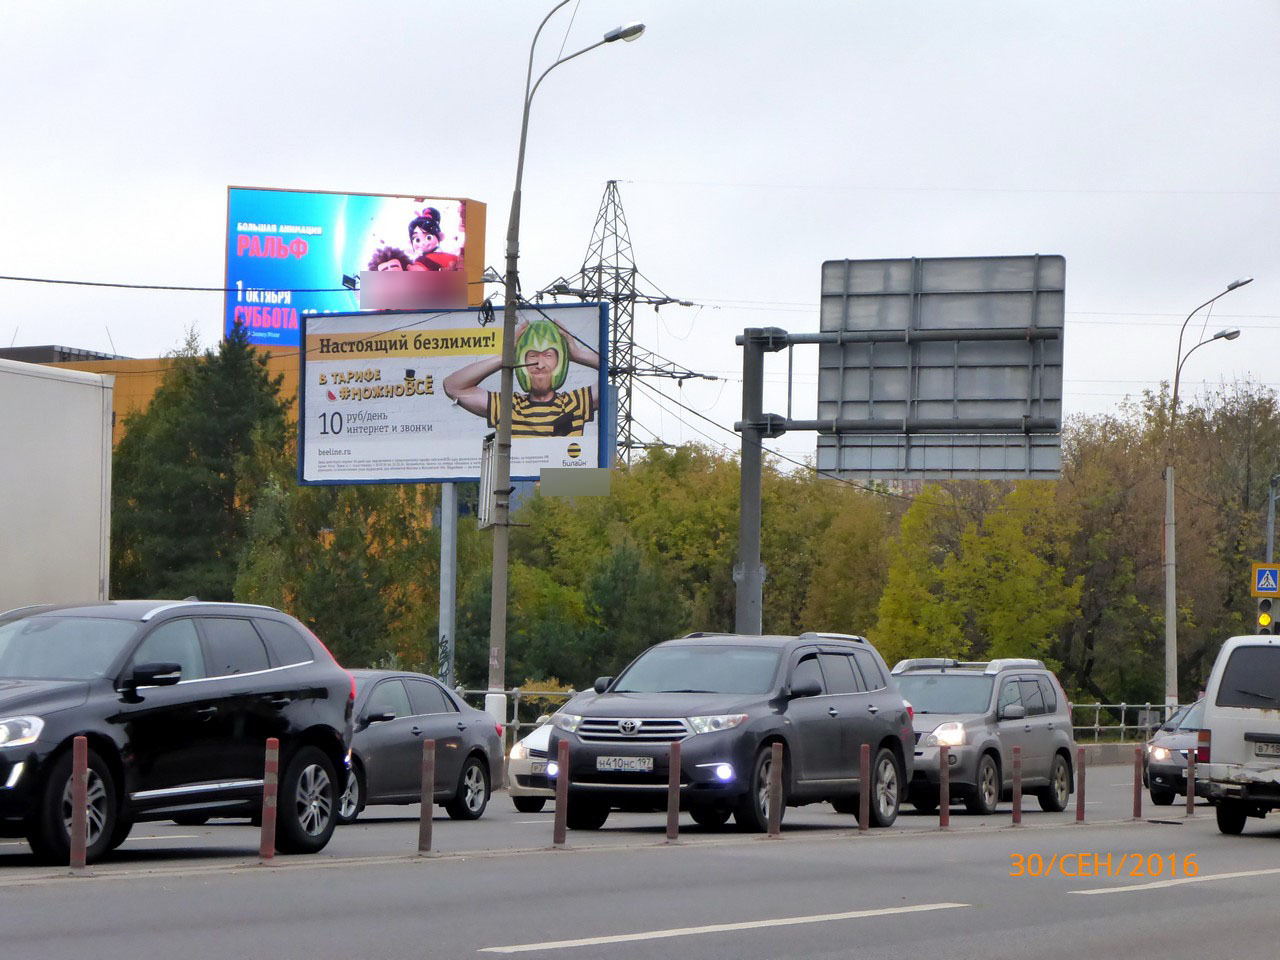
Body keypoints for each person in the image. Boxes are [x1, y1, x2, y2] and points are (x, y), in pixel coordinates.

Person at [443, 317, 598, 437]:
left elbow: (613, 371)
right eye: (532, 355)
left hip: (565, 478)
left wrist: (577, 354)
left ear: (560, 359)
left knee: (593, 479)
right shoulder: (508, 406)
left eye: (548, 355)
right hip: (513, 478)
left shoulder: (575, 402)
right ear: (522, 359)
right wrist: (504, 358)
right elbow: (453, 387)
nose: (540, 364)